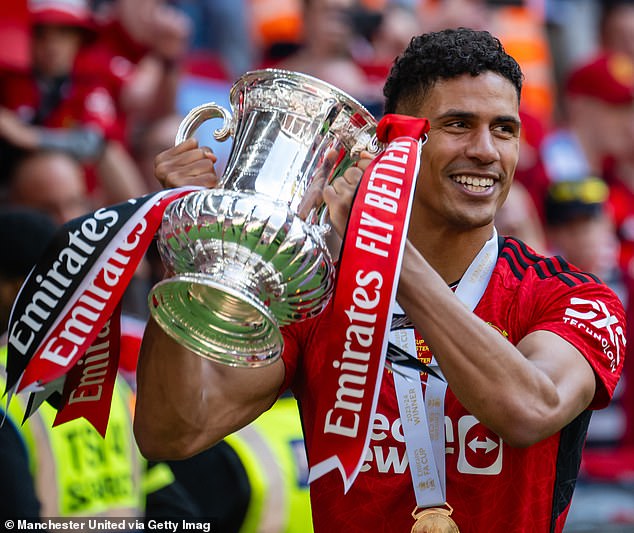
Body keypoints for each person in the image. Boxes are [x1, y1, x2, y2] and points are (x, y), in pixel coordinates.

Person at [134, 28, 626, 532]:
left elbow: (530, 409)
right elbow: (170, 432)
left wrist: (385, 249)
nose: (486, 150)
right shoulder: (316, 293)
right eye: (457, 125)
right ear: (396, 143)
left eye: (504, 129)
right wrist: (192, 249)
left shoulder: (571, 296)